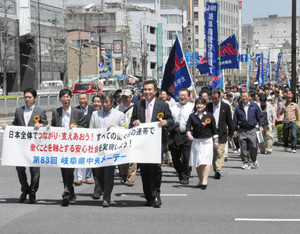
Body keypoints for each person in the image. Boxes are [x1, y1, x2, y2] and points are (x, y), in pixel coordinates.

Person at [130, 80, 173, 208]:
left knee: (156, 170)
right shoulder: (138, 105)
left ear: (155, 91)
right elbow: (132, 119)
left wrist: (166, 122)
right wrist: (135, 122)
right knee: (144, 170)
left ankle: (156, 195)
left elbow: (171, 120)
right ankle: (148, 196)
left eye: (149, 89)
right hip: (142, 144)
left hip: (157, 143)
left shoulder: (162, 105)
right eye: (145, 89)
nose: (147, 92)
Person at [2, 88, 48, 204]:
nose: (27, 99)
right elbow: (15, 125)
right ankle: (25, 189)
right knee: (19, 169)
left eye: (30, 97)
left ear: (35, 98)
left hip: (34, 146)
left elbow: (46, 125)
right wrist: (7, 127)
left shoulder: (40, 111)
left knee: (35, 171)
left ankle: (32, 192)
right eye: (25, 97)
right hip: (21, 147)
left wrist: (40, 125)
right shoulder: (19, 110)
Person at [47, 89, 87, 207]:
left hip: (73, 147)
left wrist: (76, 127)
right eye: (63, 97)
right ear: (60, 99)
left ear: (70, 98)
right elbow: (54, 127)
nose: (65, 99)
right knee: (64, 170)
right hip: (60, 147)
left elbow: (84, 127)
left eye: (67, 97)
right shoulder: (56, 112)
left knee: (69, 170)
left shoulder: (77, 112)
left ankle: (66, 192)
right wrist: (49, 127)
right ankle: (72, 193)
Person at [89, 93, 126, 207]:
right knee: (98, 174)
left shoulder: (119, 115)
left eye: (107, 102)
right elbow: (91, 130)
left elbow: (125, 130)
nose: (104, 105)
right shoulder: (95, 114)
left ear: (112, 102)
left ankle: (107, 197)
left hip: (111, 150)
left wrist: (116, 128)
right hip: (98, 149)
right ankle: (102, 189)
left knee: (109, 174)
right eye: (102, 102)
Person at [186, 97, 218, 190]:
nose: (199, 106)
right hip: (196, 141)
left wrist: (216, 141)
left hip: (207, 141)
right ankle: (200, 180)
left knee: (206, 161)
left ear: (205, 105)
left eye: (201, 104)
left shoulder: (209, 115)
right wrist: (189, 134)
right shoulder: (192, 116)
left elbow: (214, 130)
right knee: (198, 162)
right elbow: (188, 127)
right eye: (197, 104)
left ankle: (205, 180)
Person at [206, 90, 234, 179]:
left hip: (221, 132)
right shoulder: (208, 106)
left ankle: (218, 169)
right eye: (212, 99)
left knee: (220, 152)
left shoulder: (225, 106)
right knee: (214, 153)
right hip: (210, 132)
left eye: (216, 99)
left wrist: (231, 132)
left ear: (220, 97)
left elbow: (229, 120)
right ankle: (216, 169)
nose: (214, 100)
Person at [233, 91, 264, 170]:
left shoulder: (255, 105)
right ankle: (245, 162)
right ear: (241, 97)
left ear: (249, 97)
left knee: (253, 146)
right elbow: (235, 119)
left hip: (252, 129)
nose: (244, 98)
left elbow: (260, 116)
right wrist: (235, 129)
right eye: (243, 96)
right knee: (243, 147)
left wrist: (261, 125)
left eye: (246, 96)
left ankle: (254, 159)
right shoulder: (238, 107)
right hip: (242, 130)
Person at [169, 88, 194, 184]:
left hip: (188, 134)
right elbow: (170, 121)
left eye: (184, 95)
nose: (182, 97)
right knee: (175, 158)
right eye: (180, 95)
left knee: (187, 157)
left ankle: (186, 176)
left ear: (188, 97)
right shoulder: (173, 108)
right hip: (176, 135)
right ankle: (181, 172)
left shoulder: (192, 107)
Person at [116, 89, 136, 186]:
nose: (124, 99)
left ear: (130, 98)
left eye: (126, 97)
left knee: (132, 157)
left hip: (132, 134)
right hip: (120, 135)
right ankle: (124, 174)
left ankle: (131, 177)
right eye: (122, 97)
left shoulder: (135, 107)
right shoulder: (118, 108)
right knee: (121, 156)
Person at [75, 93, 94, 185]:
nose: (82, 101)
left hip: (91, 137)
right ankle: (79, 177)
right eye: (80, 99)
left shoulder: (93, 110)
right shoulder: (75, 110)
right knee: (79, 157)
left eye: (84, 99)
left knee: (89, 157)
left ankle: (88, 177)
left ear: (88, 99)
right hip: (79, 138)